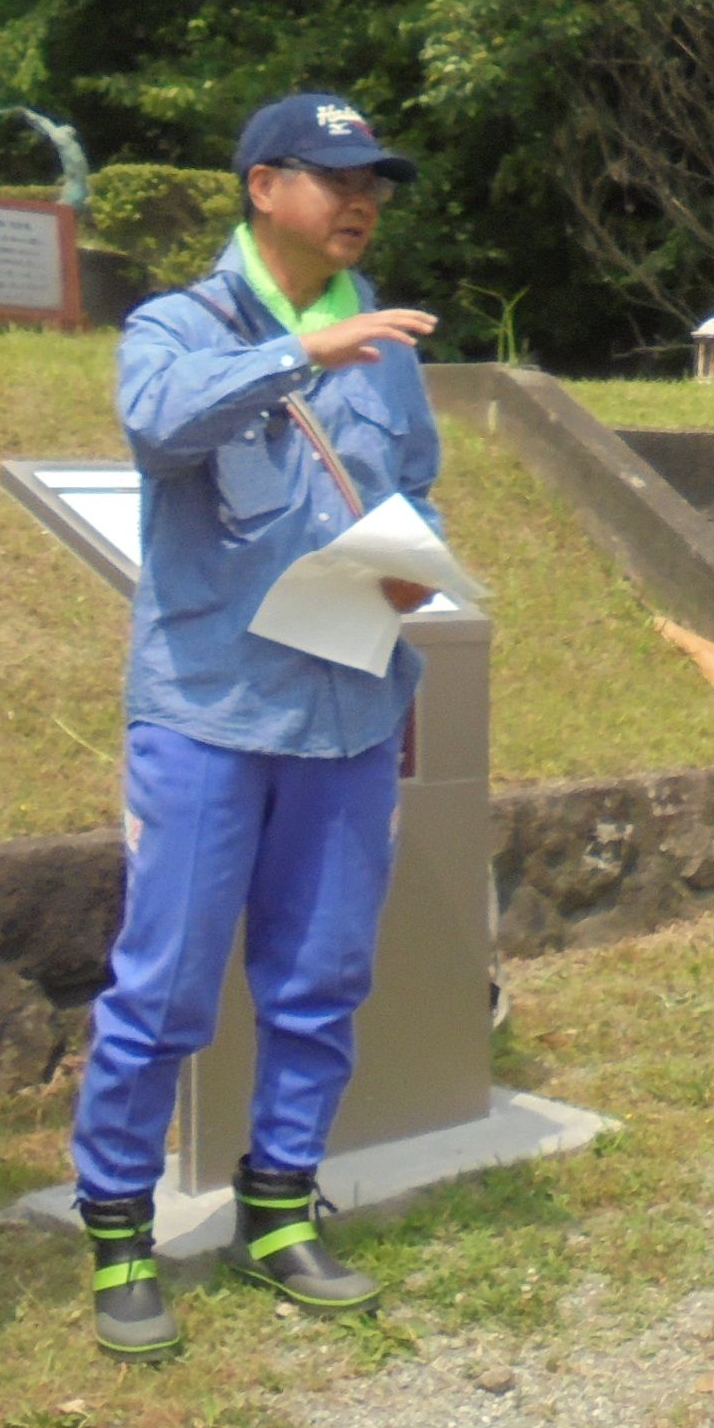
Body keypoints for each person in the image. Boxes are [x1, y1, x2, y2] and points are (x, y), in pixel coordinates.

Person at [70, 91, 444, 1359]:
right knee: (166, 982)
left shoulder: (389, 339)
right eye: (336, 178)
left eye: (374, 184)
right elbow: (158, 425)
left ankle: (279, 1207)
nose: (361, 202)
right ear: (261, 188)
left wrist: (416, 559)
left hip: (347, 703)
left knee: (321, 977)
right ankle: (119, 1225)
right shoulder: (179, 325)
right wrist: (300, 358)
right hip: (211, 710)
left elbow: (416, 476)